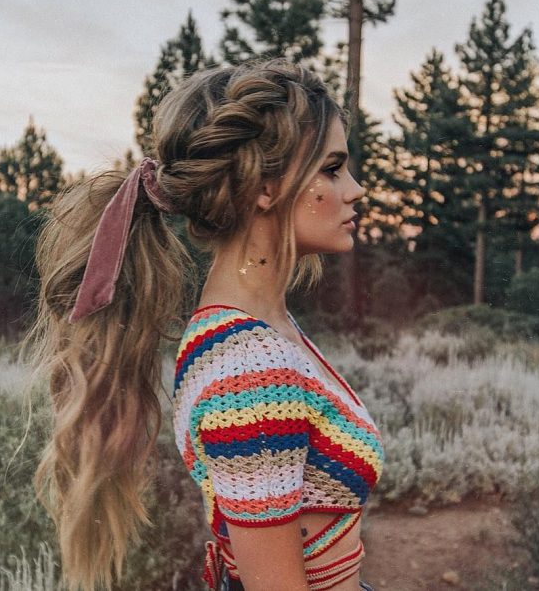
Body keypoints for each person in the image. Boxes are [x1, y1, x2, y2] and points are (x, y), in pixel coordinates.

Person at [23, 59, 384, 591]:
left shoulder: (263, 332)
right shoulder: (249, 370)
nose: (355, 190)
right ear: (265, 186)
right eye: (332, 168)